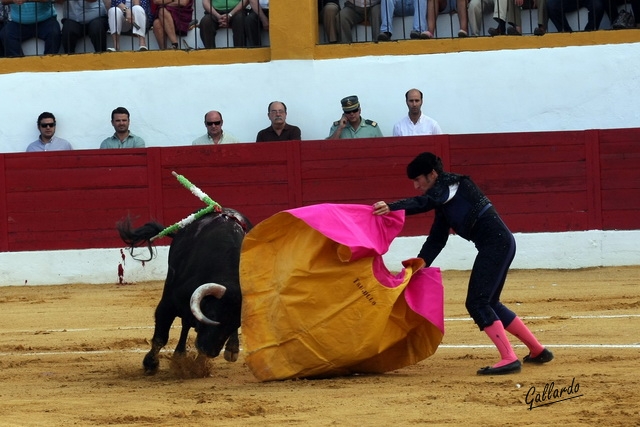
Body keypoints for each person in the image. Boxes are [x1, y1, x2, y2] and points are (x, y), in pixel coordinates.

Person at [373, 152, 554, 375]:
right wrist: (420, 264)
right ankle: (537, 349)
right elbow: (437, 239)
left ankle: (508, 357)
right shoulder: (444, 200)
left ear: (432, 174)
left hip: (496, 244)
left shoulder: (454, 185)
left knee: (477, 303)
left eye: (418, 179)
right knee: (490, 303)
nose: (416, 185)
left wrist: (393, 206)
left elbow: (425, 202)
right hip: (499, 243)